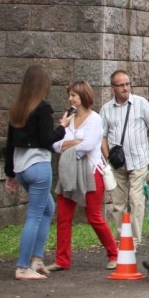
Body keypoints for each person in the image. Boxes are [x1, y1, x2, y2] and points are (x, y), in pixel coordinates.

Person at [49, 81, 119, 272]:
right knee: (63, 216)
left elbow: (88, 146)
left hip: (90, 170)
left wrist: (68, 145)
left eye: (74, 95)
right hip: (69, 171)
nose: (70, 98)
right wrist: (74, 142)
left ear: (83, 96)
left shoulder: (95, 119)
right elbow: (55, 144)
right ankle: (62, 259)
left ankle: (114, 253)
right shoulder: (68, 118)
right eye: (69, 95)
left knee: (94, 216)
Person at [5, 65, 64, 280]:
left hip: (21, 168)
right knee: (34, 216)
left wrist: (10, 173)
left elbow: (10, 143)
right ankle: (22, 266)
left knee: (48, 209)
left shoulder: (17, 109)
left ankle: (37, 259)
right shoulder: (43, 108)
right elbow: (48, 139)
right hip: (39, 166)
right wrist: (63, 127)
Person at [101, 70, 149, 249]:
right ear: (113, 87)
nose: (125, 88)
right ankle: (121, 239)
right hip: (117, 164)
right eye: (120, 85)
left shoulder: (141, 103)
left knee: (137, 201)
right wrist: (107, 158)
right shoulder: (106, 109)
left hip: (139, 160)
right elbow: (103, 137)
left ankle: (134, 241)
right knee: (118, 203)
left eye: (127, 84)